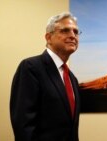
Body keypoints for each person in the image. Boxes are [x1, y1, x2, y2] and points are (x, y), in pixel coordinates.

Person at [10, 12, 81, 141]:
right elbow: (23, 125)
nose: (72, 35)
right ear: (48, 37)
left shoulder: (72, 78)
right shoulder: (31, 67)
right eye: (65, 30)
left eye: (76, 32)